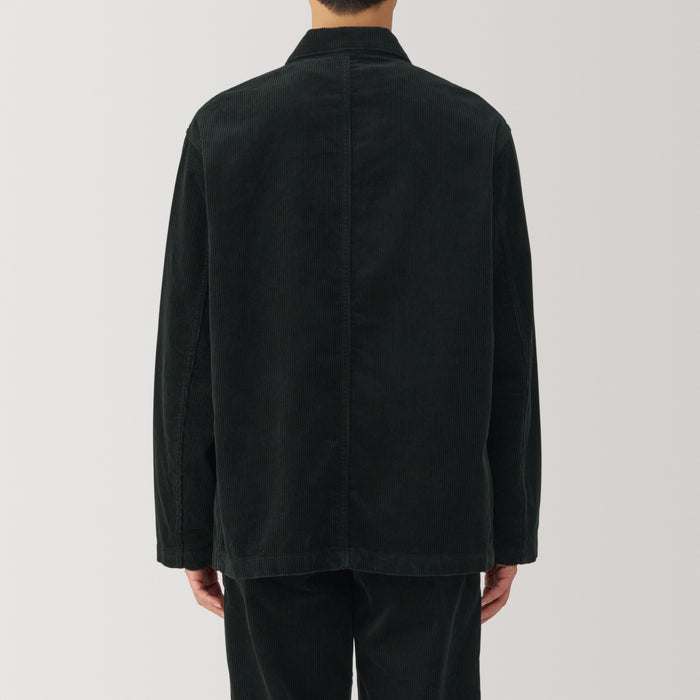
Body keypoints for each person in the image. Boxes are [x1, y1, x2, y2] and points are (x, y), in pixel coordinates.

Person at [152, 0, 542, 697]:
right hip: (434, 516)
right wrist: (508, 528)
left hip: (269, 508)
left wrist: (188, 527)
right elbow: (511, 342)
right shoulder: (473, 129)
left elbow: (186, 351)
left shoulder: (225, 128)